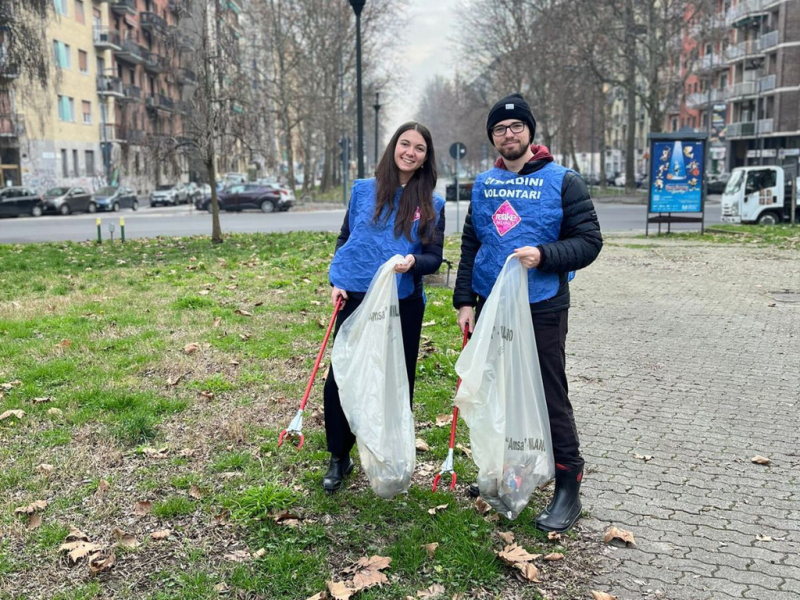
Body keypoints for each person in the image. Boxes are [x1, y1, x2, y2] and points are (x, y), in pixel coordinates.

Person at [453, 93, 602, 532]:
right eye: (500, 129)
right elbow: (472, 244)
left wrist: (544, 255)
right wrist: (465, 301)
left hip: (542, 306)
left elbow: (589, 242)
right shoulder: (485, 185)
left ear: (530, 132)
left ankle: (568, 486)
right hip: (492, 305)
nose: (509, 134)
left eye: (516, 126)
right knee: (501, 392)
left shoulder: (564, 180)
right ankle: (511, 472)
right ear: (492, 137)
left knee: (549, 394)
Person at [323, 122, 446, 493]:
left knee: (395, 381)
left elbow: (434, 257)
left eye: (419, 148)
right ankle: (338, 456)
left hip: (402, 303)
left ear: (426, 158)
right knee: (343, 376)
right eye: (405, 144)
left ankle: (390, 455)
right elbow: (346, 238)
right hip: (356, 296)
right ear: (394, 147)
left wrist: (413, 262)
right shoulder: (363, 190)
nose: (410, 152)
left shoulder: (431, 204)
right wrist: (337, 281)